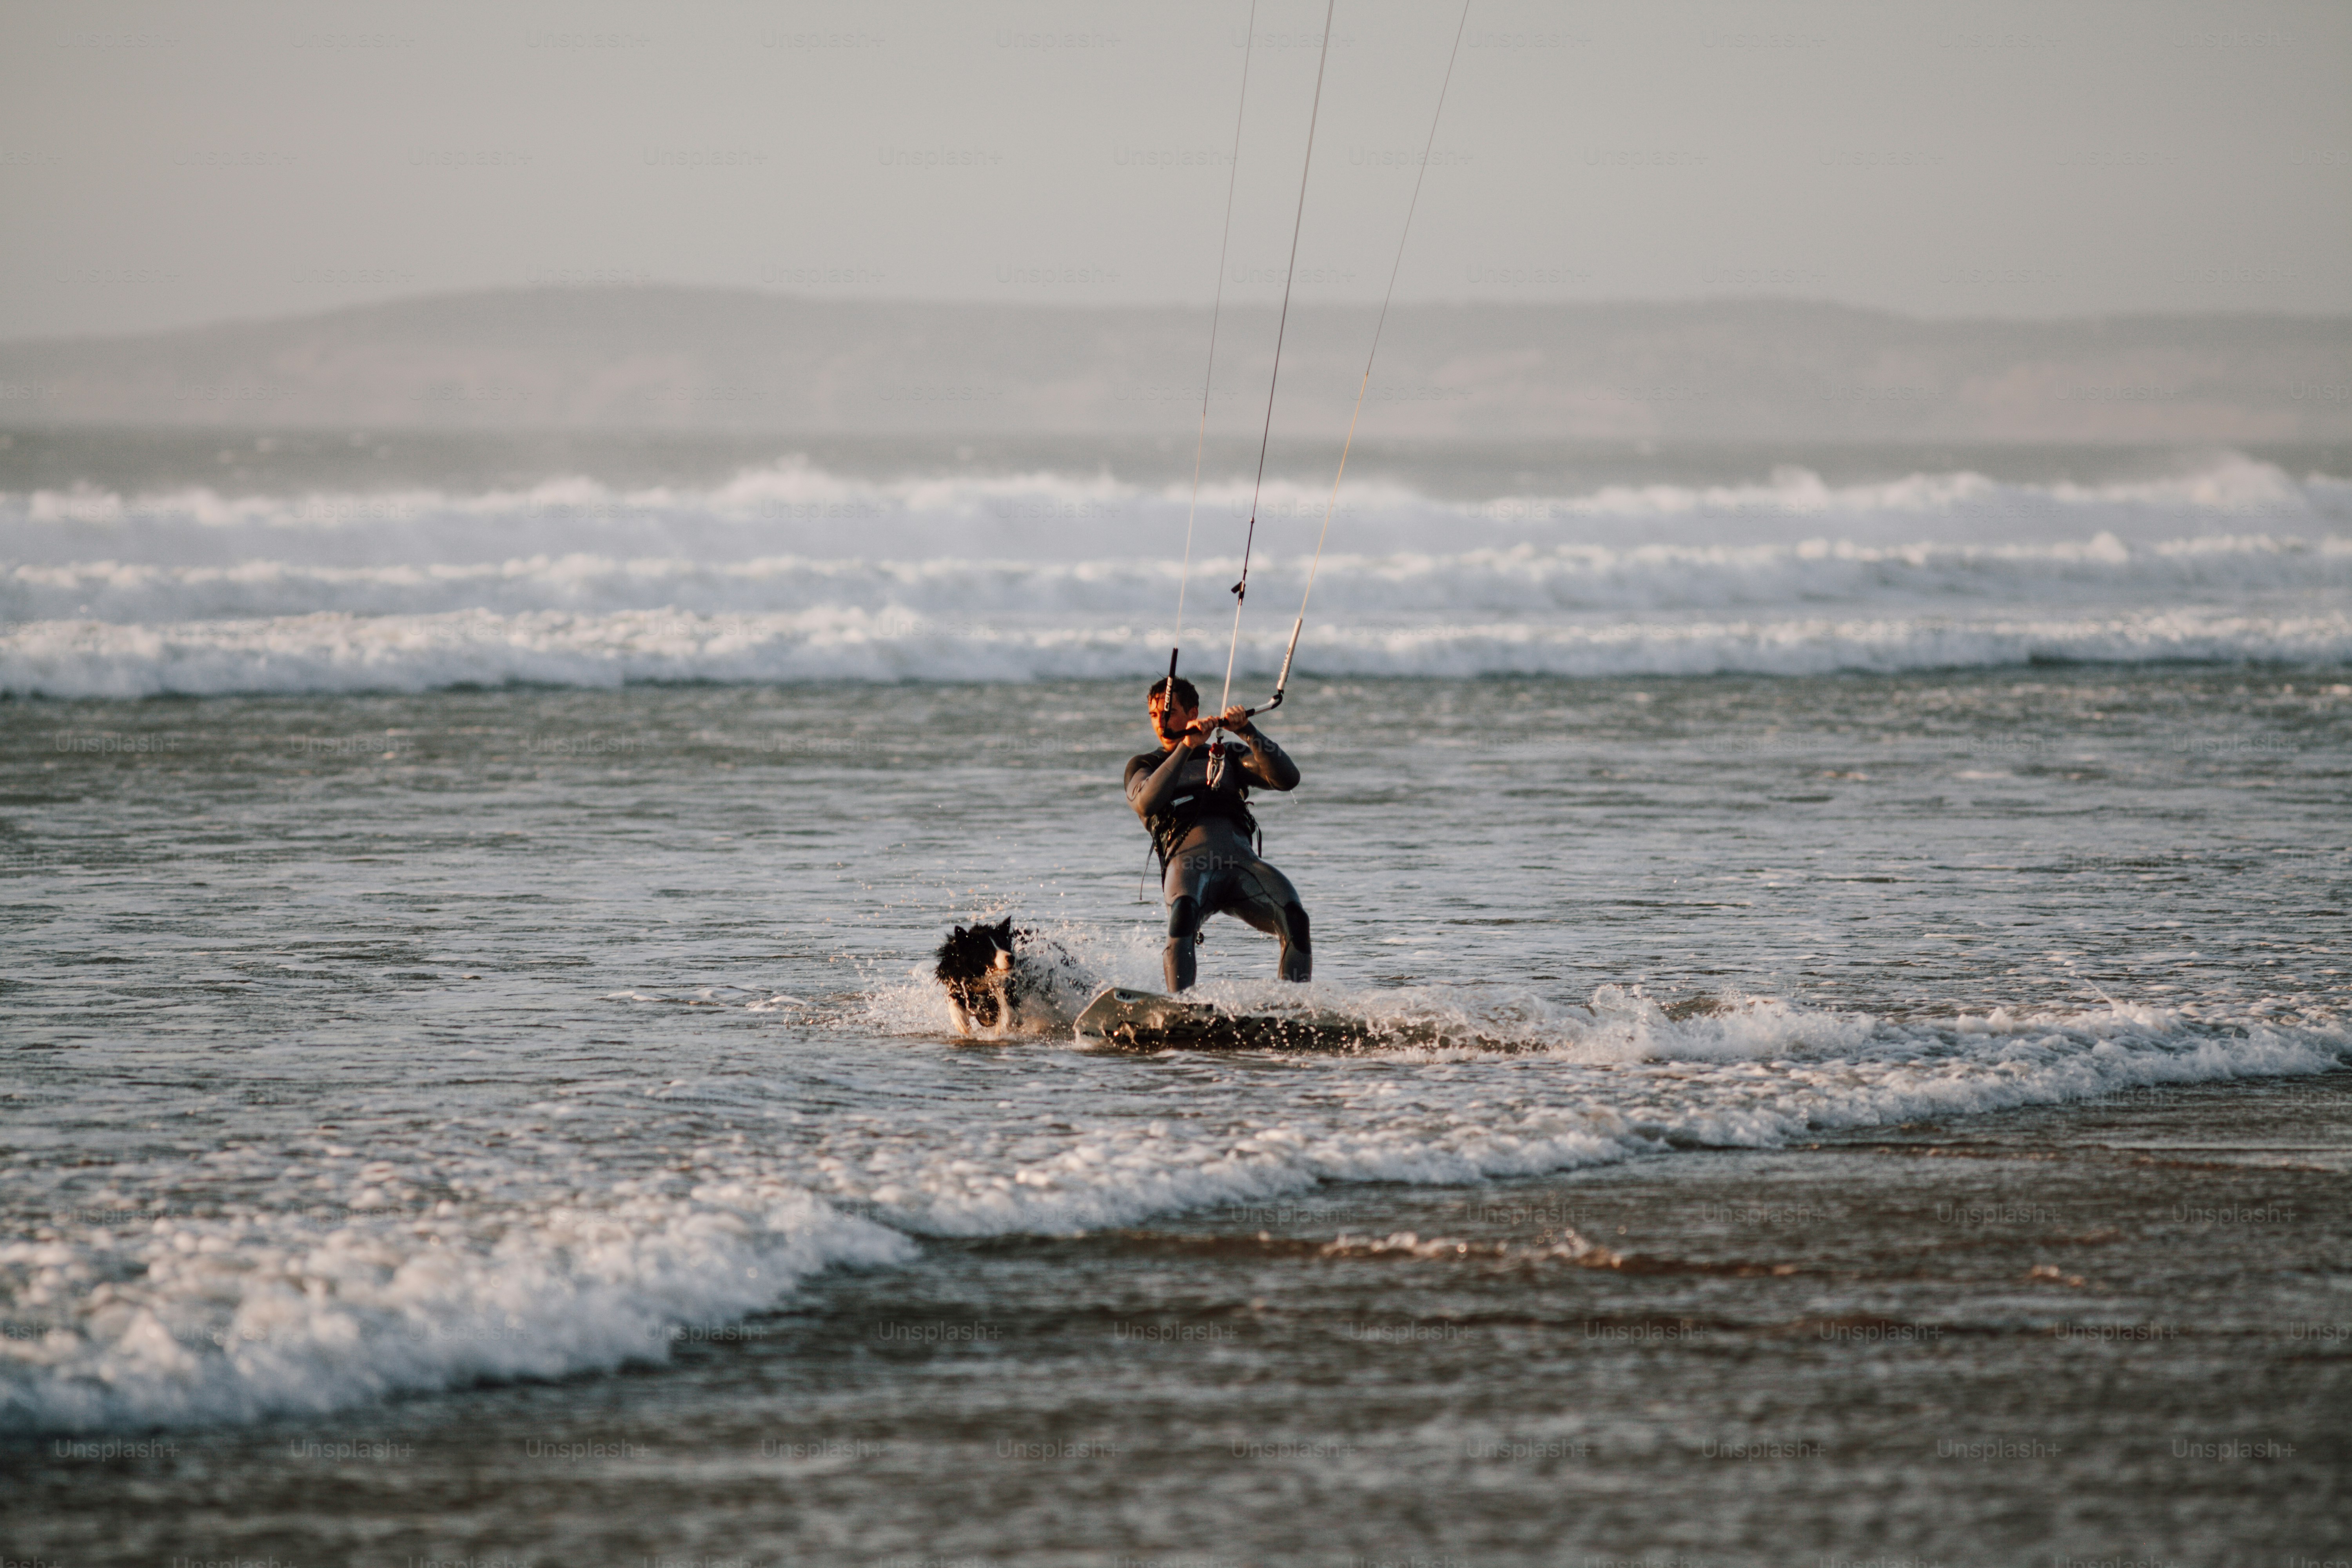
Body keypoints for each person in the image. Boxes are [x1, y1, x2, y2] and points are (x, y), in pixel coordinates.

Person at [1124, 675, 1310, 993]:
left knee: (1295, 917)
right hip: (1189, 871)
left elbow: (1288, 778)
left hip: (1242, 868)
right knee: (1183, 914)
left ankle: (1296, 1005)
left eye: (1169, 713)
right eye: (1154, 715)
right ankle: (1181, 1007)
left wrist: (1248, 731)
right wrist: (1186, 747)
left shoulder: (1227, 756)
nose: (1160, 723)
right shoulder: (1145, 765)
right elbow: (1146, 802)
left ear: (1193, 713)